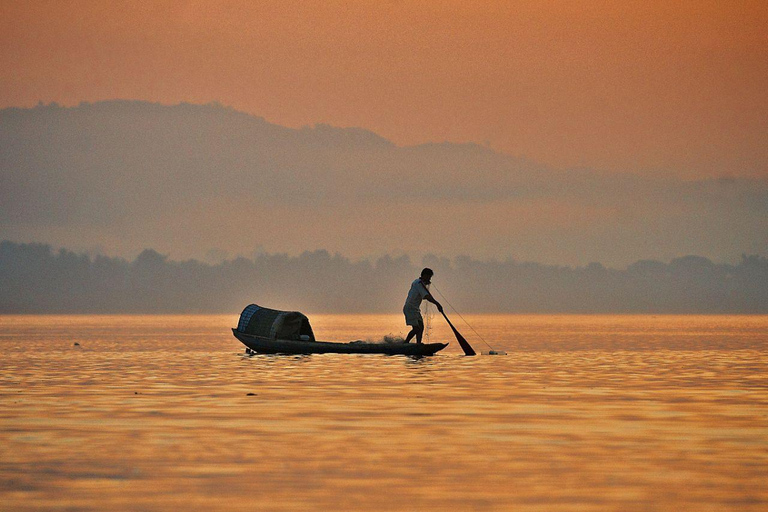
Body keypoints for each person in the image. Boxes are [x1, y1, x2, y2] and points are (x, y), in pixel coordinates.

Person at [403, 268, 443, 344]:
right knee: (417, 328)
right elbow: (426, 296)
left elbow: (426, 294)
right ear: (425, 275)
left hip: (415, 309)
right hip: (410, 308)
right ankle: (406, 343)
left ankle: (418, 344)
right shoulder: (418, 283)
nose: (430, 279)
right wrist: (437, 304)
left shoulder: (419, 282)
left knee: (421, 327)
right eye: (429, 277)